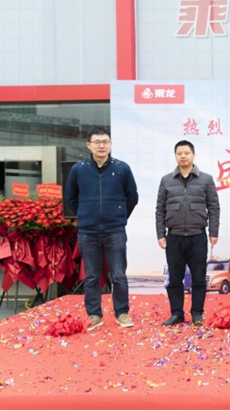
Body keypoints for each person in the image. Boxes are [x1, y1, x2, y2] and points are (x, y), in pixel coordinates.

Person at [66, 127, 139, 331]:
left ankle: (122, 313)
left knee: (119, 275)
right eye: (97, 142)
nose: (101, 146)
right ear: (88, 145)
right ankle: (94, 315)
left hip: (115, 231)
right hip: (88, 232)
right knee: (91, 275)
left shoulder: (122, 168)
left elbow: (132, 197)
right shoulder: (78, 169)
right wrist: (85, 215)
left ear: (111, 144)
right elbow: (70, 198)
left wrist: (119, 216)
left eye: (105, 142)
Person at [155, 140, 220, 326]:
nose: (183, 156)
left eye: (186, 153)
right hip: (174, 237)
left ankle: (197, 313)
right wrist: (161, 234)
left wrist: (213, 232)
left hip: (197, 236)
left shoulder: (205, 179)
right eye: (179, 153)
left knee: (198, 278)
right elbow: (160, 209)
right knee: (175, 279)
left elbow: (214, 207)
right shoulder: (166, 180)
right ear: (175, 156)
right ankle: (177, 313)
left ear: (193, 155)